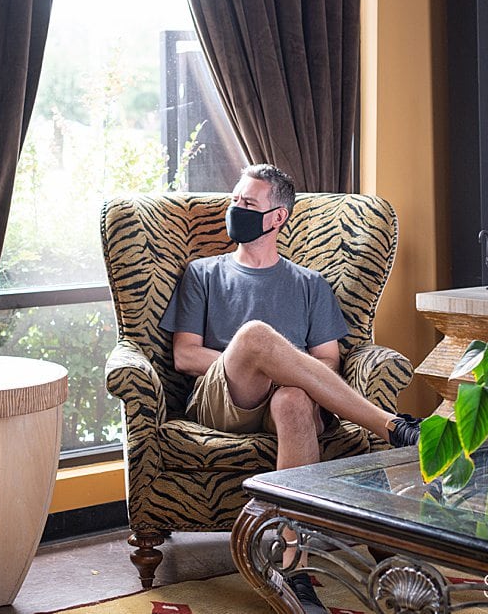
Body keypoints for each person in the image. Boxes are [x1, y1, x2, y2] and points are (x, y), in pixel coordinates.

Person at [159, 163, 420, 614]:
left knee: (297, 398)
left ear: (277, 217)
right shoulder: (203, 273)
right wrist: (254, 358)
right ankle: (391, 427)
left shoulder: (309, 284)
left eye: (247, 203)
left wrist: (283, 375)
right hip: (223, 397)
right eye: (235, 200)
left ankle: (294, 568)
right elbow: (185, 355)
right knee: (256, 336)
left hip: (286, 403)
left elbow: (328, 361)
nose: (234, 208)